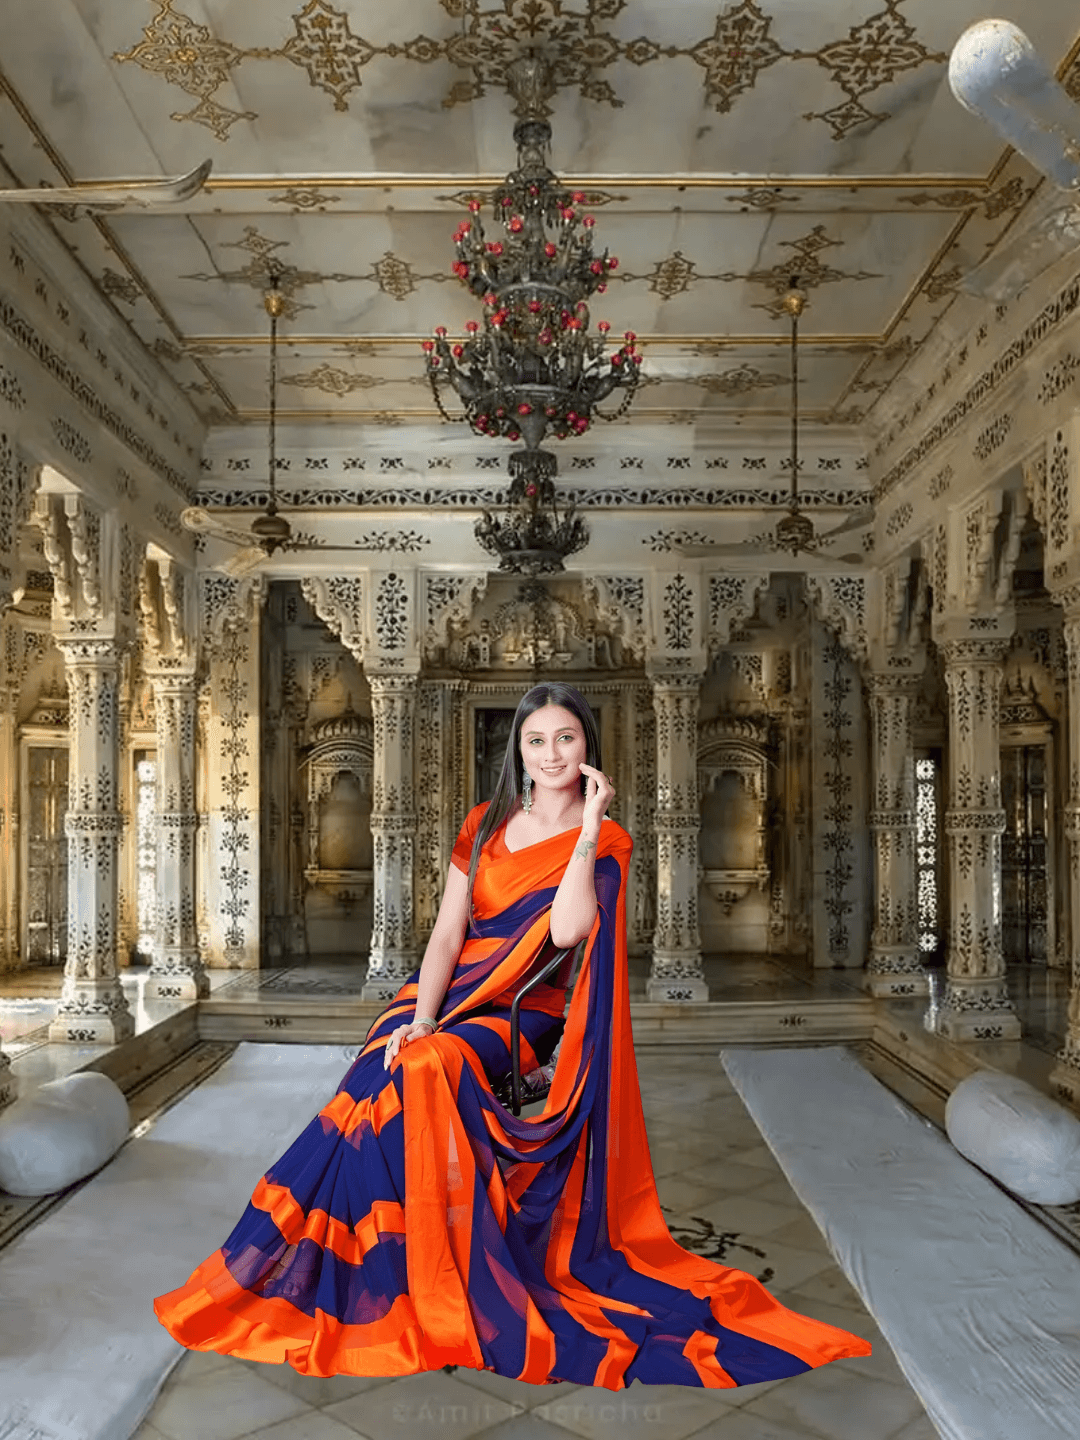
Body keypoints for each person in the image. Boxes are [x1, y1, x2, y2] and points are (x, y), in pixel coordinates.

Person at [153, 681, 871, 1389]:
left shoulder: (609, 840)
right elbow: (445, 934)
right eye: (537, 740)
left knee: (426, 1069)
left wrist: (586, 833)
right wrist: (421, 1015)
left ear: (588, 744)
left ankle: (428, 1269)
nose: (552, 753)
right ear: (518, 752)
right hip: (449, 995)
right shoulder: (484, 823)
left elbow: (566, 931)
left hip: (521, 1015)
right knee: (388, 1058)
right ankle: (376, 1263)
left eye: (566, 737)